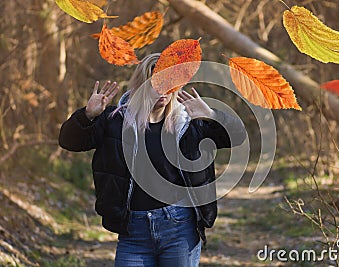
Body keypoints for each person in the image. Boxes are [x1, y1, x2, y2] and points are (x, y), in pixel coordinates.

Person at [58, 53, 246, 267]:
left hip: (180, 228)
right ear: (141, 85)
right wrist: (87, 115)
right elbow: (69, 141)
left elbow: (237, 136)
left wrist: (211, 114)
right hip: (134, 231)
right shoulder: (115, 121)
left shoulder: (189, 122)